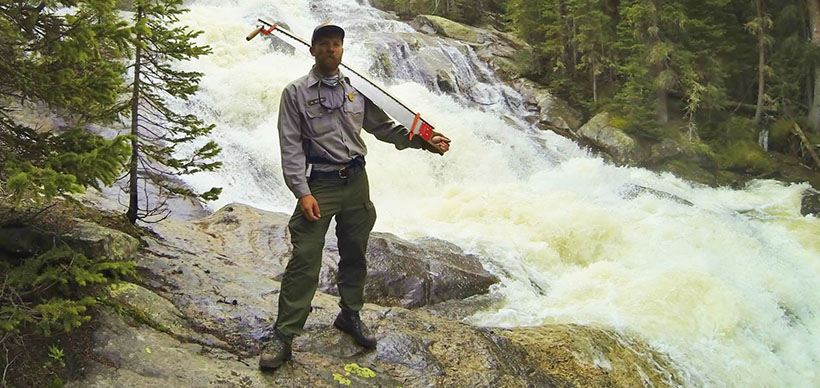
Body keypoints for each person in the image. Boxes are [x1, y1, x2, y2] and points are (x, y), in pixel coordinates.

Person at [259, 22, 451, 371]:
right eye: (324, 45)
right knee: (304, 259)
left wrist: (423, 141)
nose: (331, 50)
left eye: (337, 44)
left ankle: (350, 315)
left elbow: (385, 128)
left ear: (342, 50)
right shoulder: (295, 93)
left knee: (354, 253)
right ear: (312, 50)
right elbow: (290, 148)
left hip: (356, 182)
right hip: (319, 184)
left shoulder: (357, 91)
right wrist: (302, 192)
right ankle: (283, 336)